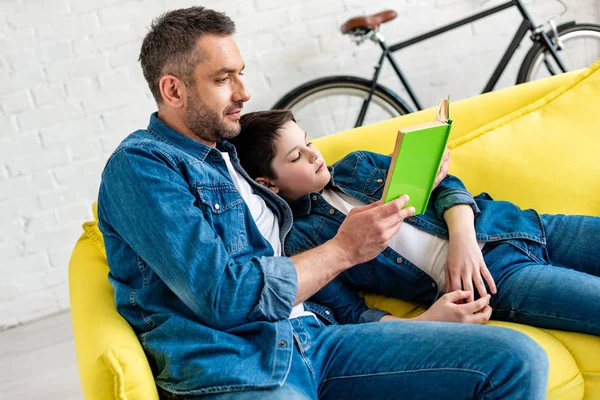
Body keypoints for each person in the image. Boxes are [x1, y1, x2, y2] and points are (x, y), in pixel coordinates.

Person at [97, 6, 549, 399]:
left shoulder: (231, 157)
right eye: (223, 79)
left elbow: (302, 197)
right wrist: (344, 249)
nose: (243, 92)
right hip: (241, 366)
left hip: (317, 336)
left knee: (517, 359)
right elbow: (224, 296)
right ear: (173, 91)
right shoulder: (141, 167)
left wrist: (398, 181)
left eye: (240, 73)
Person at [231, 109, 600, 337]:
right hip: (494, 279)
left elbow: (446, 187)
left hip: (515, 224)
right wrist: (429, 320)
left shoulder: (357, 164)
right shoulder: (303, 246)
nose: (315, 155)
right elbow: (349, 314)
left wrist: (463, 240)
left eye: (309, 142)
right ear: (268, 184)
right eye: (297, 156)